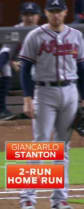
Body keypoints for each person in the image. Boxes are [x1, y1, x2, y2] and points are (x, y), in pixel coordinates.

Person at [19, 0, 84, 208]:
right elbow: (24, 68)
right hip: (44, 92)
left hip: (70, 91)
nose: (56, 15)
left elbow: (82, 69)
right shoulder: (35, 36)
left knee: (62, 147)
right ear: (46, 12)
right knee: (40, 145)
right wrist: (28, 98)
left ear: (65, 12)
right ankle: (27, 199)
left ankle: (59, 200)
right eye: (52, 11)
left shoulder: (76, 35)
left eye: (59, 11)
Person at [0, 2, 41, 93]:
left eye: (32, 14)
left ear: (38, 16)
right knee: (3, 66)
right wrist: (10, 62)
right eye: (26, 14)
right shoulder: (16, 30)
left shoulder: (42, 32)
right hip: (17, 69)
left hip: (37, 68)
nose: (29, 18)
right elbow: (5, 51)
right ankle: (2, 107)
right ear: (21, 16)